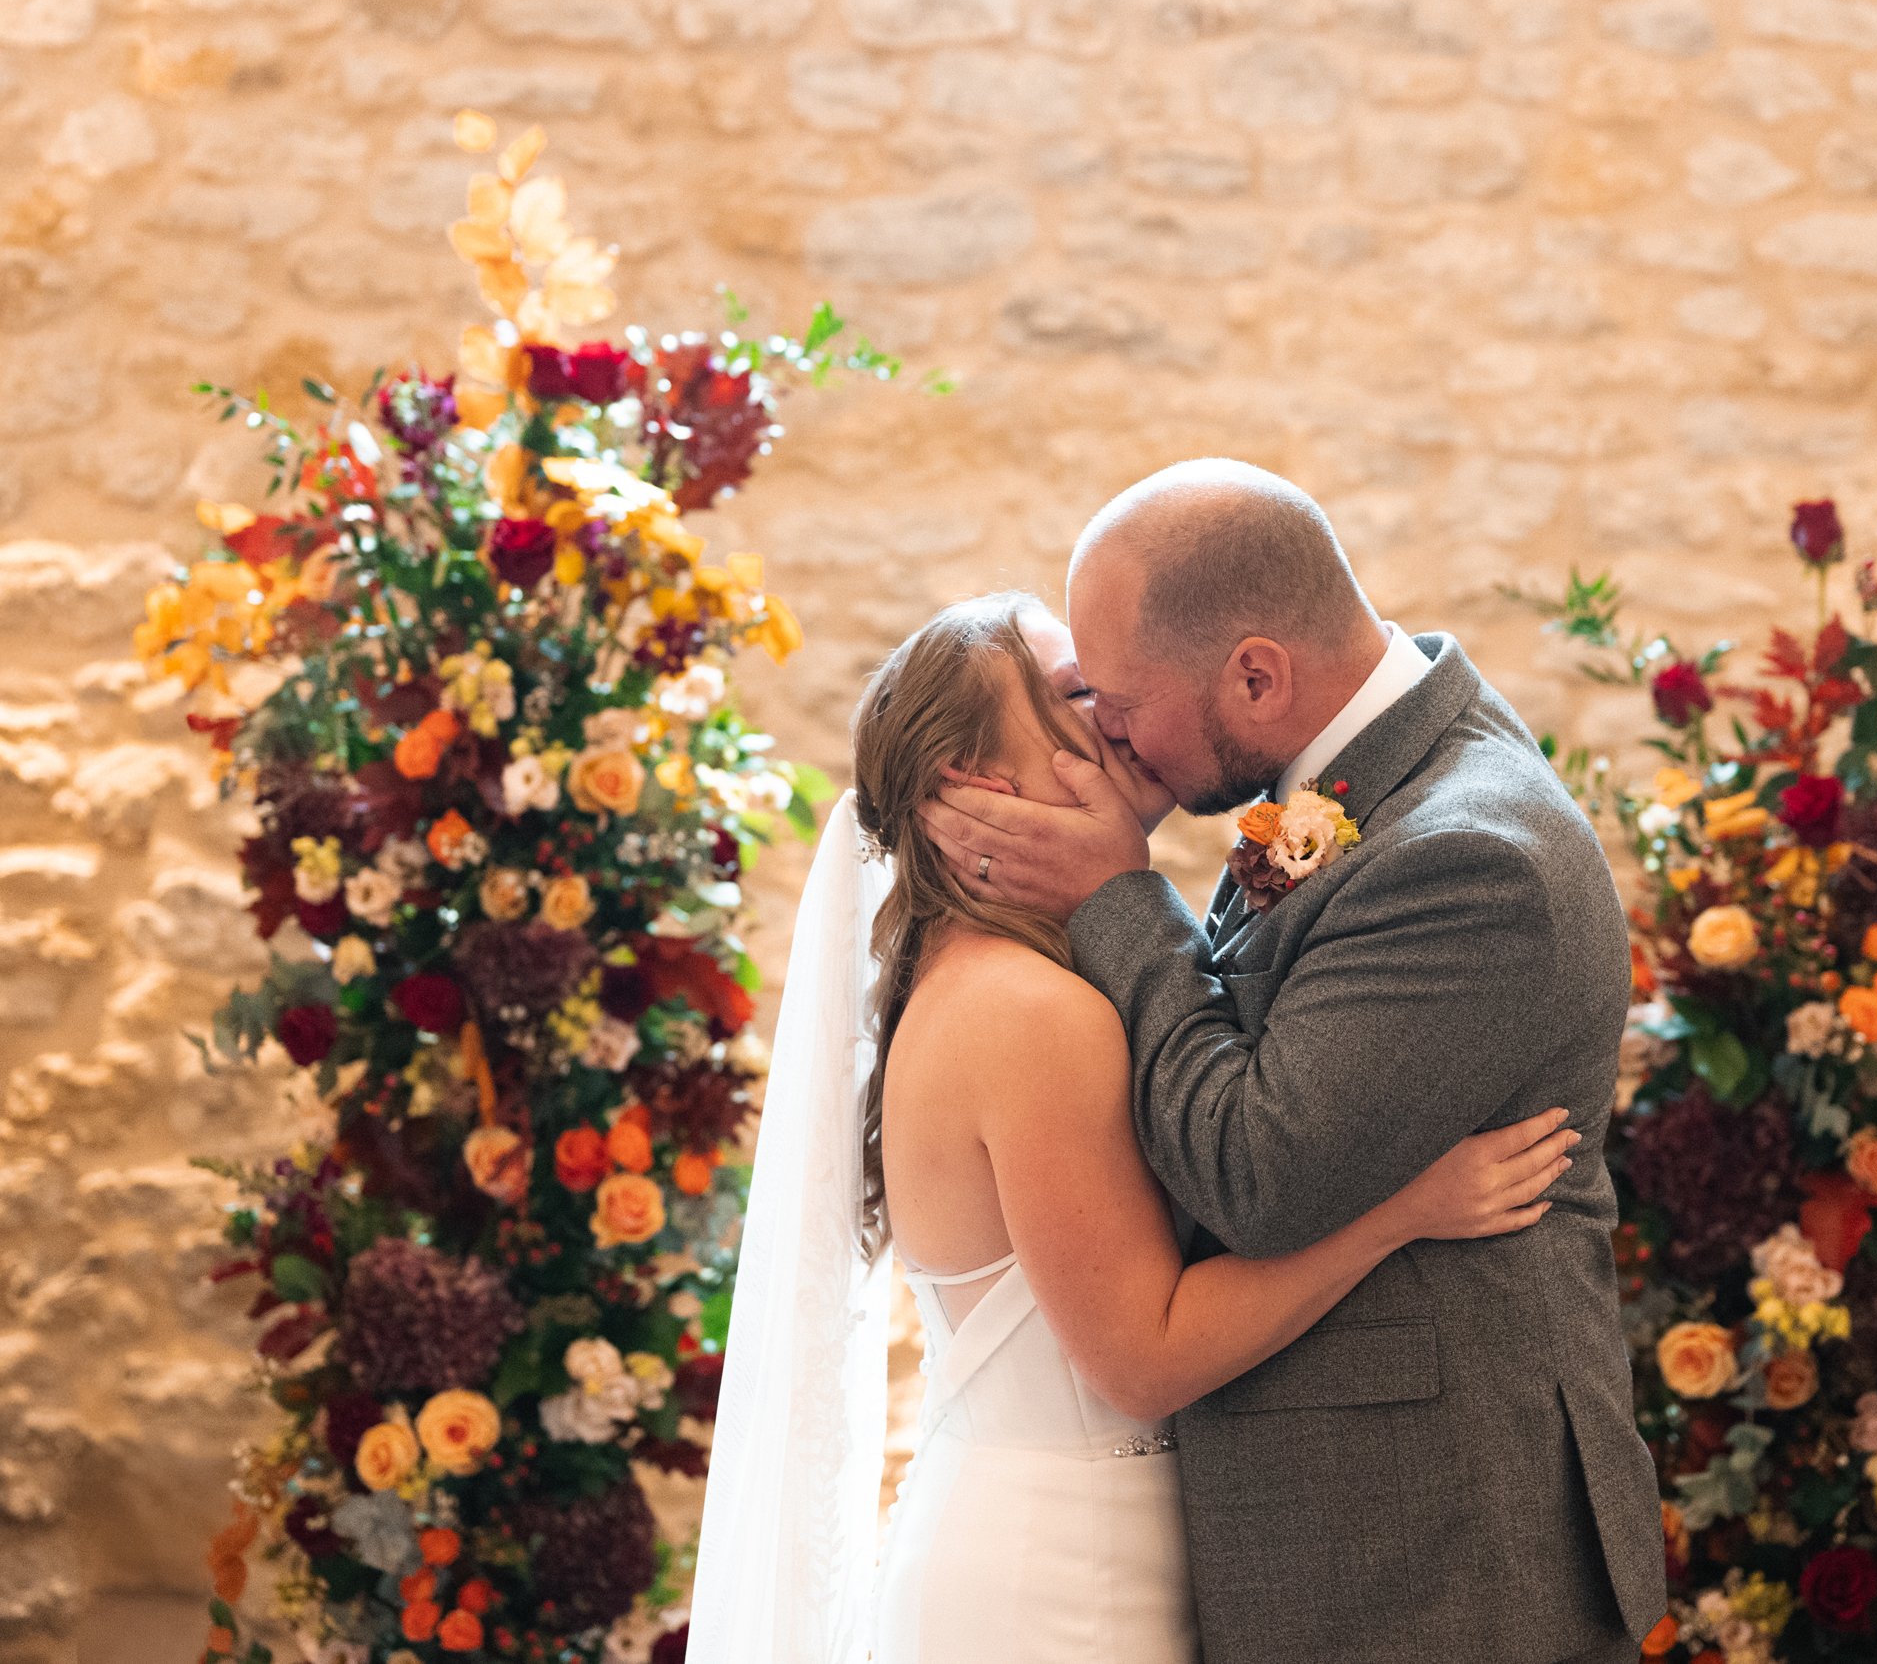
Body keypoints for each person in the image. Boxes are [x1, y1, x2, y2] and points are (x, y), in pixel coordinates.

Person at [685, 591, 1581, 1664]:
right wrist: (1402, 1210)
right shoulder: (1028, 1011)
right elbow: (1143, 1355)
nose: (1116, 713)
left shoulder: (1012, 977)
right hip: (1063, 1579)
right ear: (982, 784)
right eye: (1075, 695)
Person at [916, 460, 1669, 1664]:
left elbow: (1252, 1174)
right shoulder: (1360, 783)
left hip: (1432, 1557)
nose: (1111, 737)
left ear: (1257, 673)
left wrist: (1120, 895)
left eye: (1118, 699)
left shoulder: (1468, 853)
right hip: (1353, 1547)